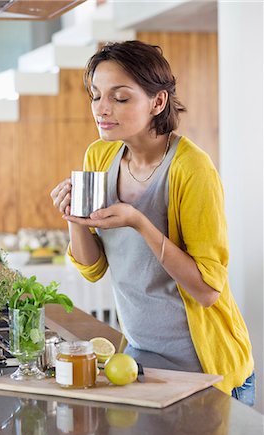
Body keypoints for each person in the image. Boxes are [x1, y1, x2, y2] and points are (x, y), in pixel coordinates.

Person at [51, 40, 255, 405]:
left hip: (205, 369)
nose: (102, 109)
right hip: (141, 362)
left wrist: (140, 223)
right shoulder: (100, 154)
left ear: (157, 102)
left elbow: (208, 291)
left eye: (121, 98)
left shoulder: (191, 168)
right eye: (96, 95)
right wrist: (74, 219)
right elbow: (93, 268)